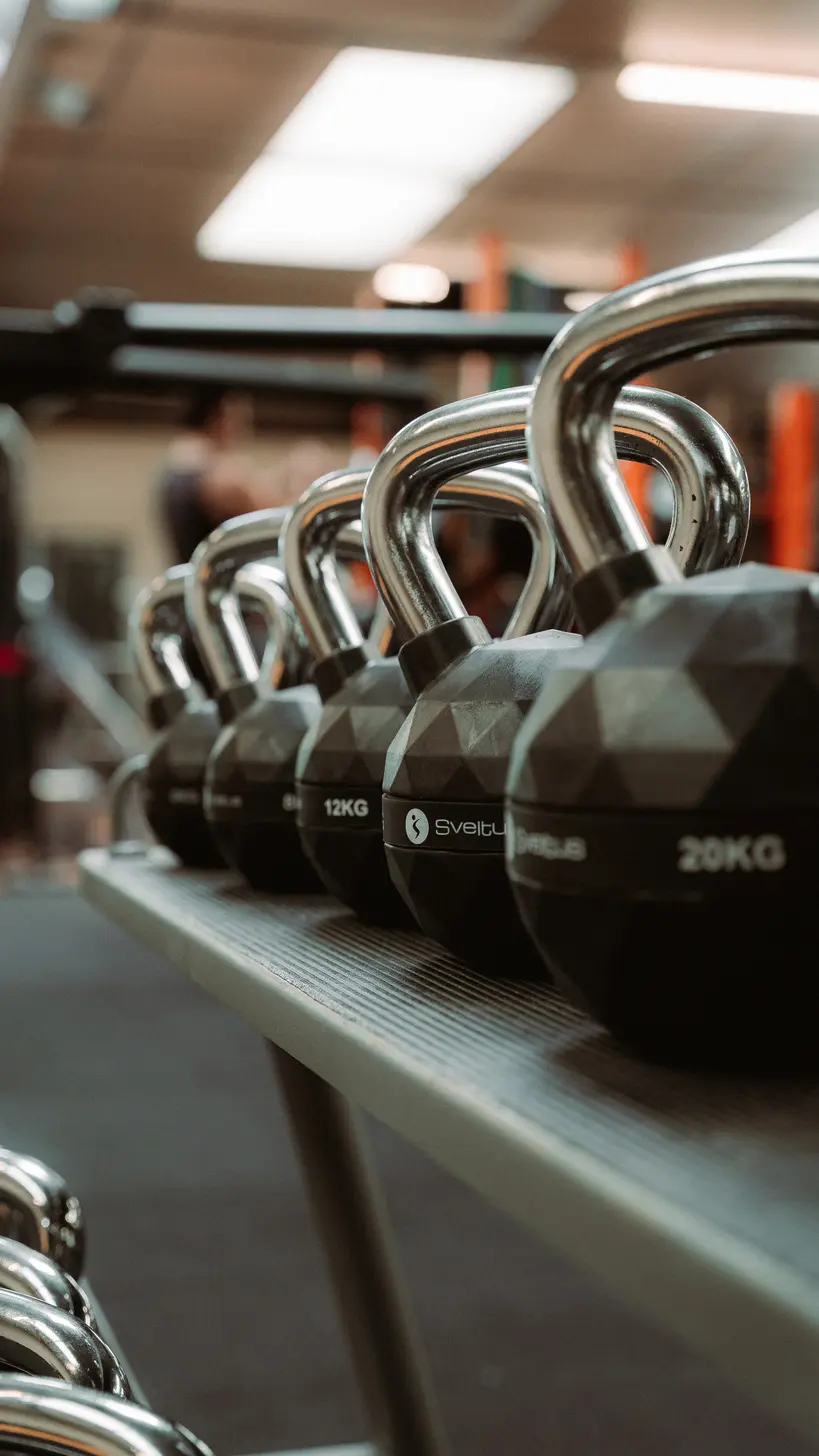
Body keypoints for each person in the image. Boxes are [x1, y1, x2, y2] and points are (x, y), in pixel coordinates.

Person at [157, 388, 337, 565]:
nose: (245, 430)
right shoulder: (219, 474)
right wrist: (308, 483)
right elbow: (282, 518)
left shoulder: (181, 458)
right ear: (221, 415)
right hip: (215, 577)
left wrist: (287, 470)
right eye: (241, 418)